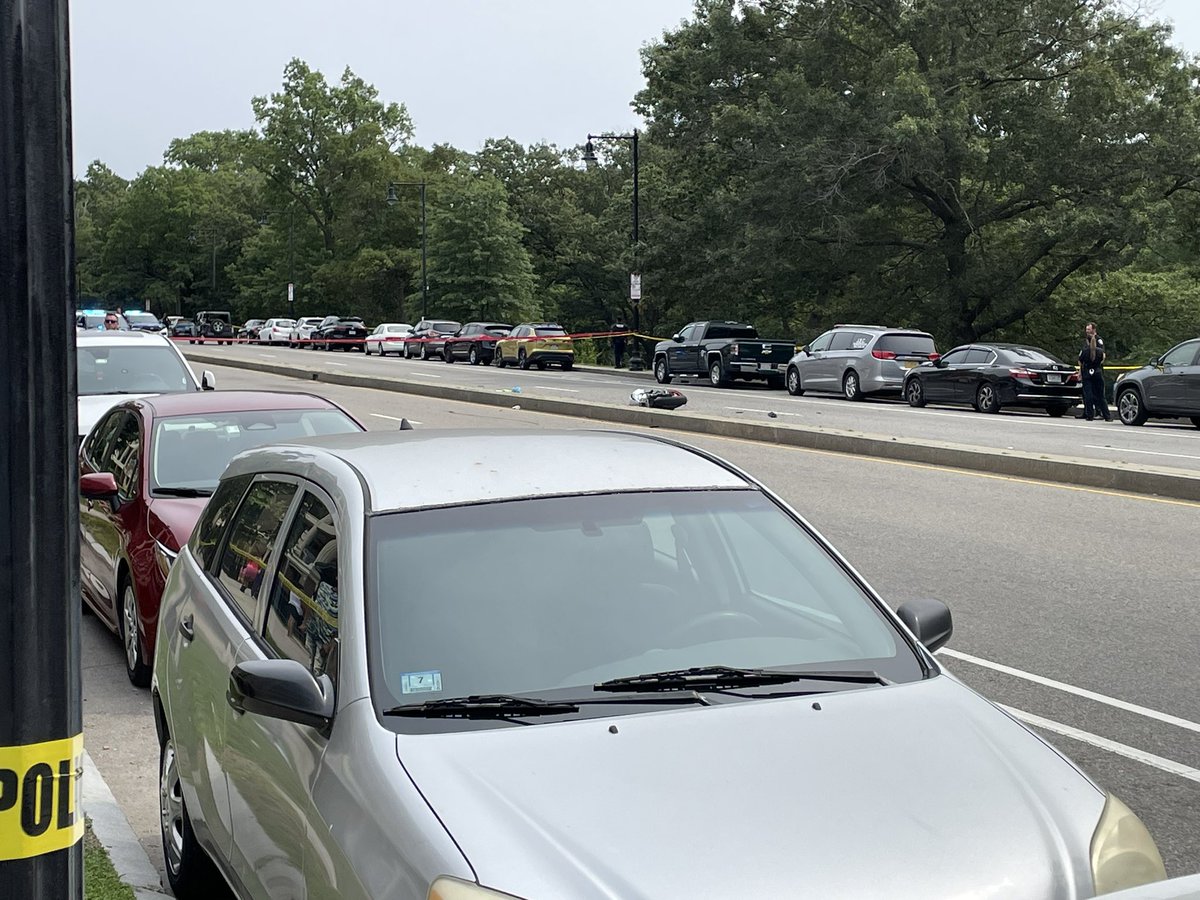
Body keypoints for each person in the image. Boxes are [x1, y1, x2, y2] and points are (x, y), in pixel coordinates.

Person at [1078, 322, 1112, 422]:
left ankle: (1090, 415)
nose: (1087, 331)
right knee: (1101, 394)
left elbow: (1080, 361)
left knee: (1088, 394)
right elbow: (1103, 358)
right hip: (1097, 371)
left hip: (1087, 372)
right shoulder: (1099, 351)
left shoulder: (1085, 350)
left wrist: (1081, 371)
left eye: (1088, 329)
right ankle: (1107, 416)